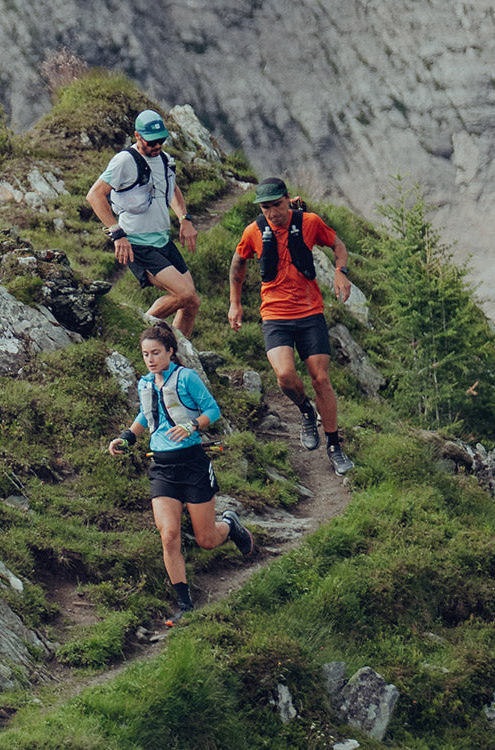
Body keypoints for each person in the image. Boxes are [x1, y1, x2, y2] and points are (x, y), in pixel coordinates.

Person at [108, 322, 254, 625]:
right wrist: (126, 437)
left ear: (170, 352)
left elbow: (213, 411)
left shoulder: (187, 378)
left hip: (193, 465)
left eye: (156, 353)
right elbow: (145, 414)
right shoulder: (145, 383)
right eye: (146, 354)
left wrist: (192, 425)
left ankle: (230, 524)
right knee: (169, 534)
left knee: (206, 539)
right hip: (161, 468)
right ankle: (185, 604)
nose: (150, 359)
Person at [228, 177, 356, 476]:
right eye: (265, 207)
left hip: (311, 312)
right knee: (285, 376)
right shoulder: (254, 231)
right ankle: (306, 411)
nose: (272, 213)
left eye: (276, 205)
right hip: (274, 314)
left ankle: (335, 445)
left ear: (288, 199)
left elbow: (337, 245)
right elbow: (238, 264)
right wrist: (235, 303)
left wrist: (341, 272)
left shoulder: (309, 222)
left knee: (320, 379)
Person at [87, 110, 201, 337]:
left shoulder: (165, 160)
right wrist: (117, 233)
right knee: (185, 294)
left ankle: (176, 354)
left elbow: (173, 190)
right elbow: (95, 195)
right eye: (152, 142)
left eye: (161, 140)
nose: (157, 146)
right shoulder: (124, 161)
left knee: (192, 302)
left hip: (162, 240)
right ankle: (139, 331)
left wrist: (184, 219)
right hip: (138, 243)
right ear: (138, 136)